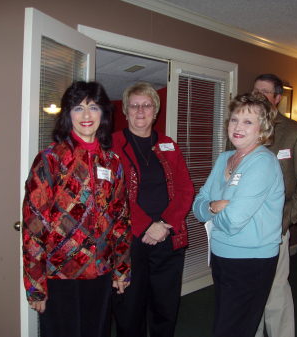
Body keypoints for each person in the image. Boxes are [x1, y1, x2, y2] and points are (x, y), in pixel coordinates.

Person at [22, 81, 132, 337]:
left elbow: (121, 220)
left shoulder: (112, 162)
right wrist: (35, 285)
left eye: (93, 107)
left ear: (103, 114)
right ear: (67, 114)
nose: (86, 115)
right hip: (61, 274)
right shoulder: (50, 159)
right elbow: (33, 226)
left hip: (101, 271)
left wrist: (122, 270)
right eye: (77, 108)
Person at [193, 93, 285, 337]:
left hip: (251, 261)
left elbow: (233, 221)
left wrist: (215, 210)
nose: (238, 127)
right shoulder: (225, 158)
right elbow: (198, 205)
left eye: (247, 122)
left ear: (262, 128)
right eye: (234, 120)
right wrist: (214, 206)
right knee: (228, 321)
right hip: (221, 254)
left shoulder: (263, 163)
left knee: (232, 328)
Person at [111, 82, 194, 337]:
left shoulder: (168, 144)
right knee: (129, 308)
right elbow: (113, 195)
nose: (140, 111)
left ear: (155, 111)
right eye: (134, 105)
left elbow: (185, 188)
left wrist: (164, 225)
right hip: (130, 240)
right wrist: (147, 225)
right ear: (125, 111)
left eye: (146, 105)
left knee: (165, 307)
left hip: (168, 237)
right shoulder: (112, 144)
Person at [253, 74, 297, 337]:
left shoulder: (295, 132)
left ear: (277, 98)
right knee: (250, 290)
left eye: (265, 92)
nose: (258, 95)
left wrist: (287, 216)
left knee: (275, 290)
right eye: (255, 90)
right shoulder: (242, 128)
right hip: (244, 227)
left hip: (273, 226)